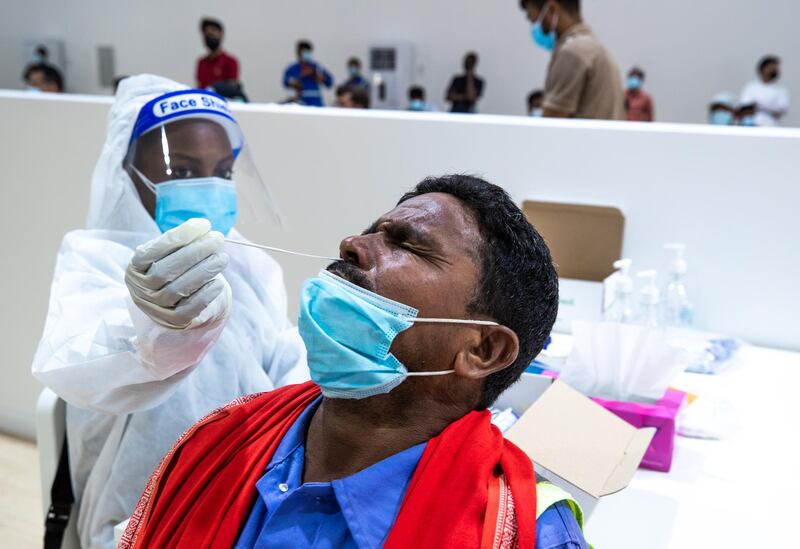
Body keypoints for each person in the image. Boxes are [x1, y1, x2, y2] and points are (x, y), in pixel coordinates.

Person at [120, 175, 588, 549]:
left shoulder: (522, 533)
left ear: (482, 350)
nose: (351, 244)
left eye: (406, 244)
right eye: (371, 232)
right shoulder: (218, 443)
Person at [31, 75, 308, 549]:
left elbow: (290, 380)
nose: (209, 187)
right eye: (181, 172)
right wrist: (151, 327)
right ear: (127, 172)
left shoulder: (251, 264)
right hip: (139, 514)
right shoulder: (94, 258)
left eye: (222, 171)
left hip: (252, 503)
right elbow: (72, 366)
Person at [520, 0, 625, 120]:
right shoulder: (595, 48)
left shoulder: (572, 52)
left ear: (552, 10)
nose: (534, 26)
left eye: (532, 19)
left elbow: (552, 124)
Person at [740, 55, 789, 127]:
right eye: (770, 67)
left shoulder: (780, 90)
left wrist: (761, 106)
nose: (773, 70)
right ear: (763, 68)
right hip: (751, 124)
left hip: (771, 126)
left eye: (775, 68)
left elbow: (782, 108)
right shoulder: (751, 87)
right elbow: (744, 105)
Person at [283, 40, 334, 107]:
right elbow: (286, 82)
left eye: (307, 52)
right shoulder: (292, 68)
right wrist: (300, 77)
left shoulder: (317, 67)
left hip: (316, 101)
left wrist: (319, 77)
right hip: (299, 100)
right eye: (301, 52)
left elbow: (329, 82)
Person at [196, 18, 240, 90]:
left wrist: (215, 88)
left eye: (213, 33)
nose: (209, 36)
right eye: (207, 34)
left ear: (221, 34)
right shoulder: (201, 62)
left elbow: (232, 87)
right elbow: (199, 86)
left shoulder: (230, 61)